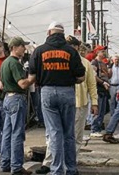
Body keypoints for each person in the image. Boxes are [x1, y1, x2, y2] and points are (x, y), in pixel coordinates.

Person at [28, 22, 85, 175]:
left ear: (49, 33)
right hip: (67, 92)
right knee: (69, 132)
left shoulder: (39, 50)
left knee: (54, 133)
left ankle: (57, 169)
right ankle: (71, 169)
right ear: (62, 33)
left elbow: (31, 75)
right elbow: (81, 77)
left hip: (46, 91)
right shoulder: (71, 51)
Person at [36, 36, 98, 175]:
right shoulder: (61, 59)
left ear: (76, 48)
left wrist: (94, 102)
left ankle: (69, 164)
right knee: (54, 134)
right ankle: (50, 163)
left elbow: (91, 84)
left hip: (79, 103)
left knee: (73, 136)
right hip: (68, 99)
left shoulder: (86, 63)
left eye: (72, 46)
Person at [0, 36, 35, 175]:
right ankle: (16, 166)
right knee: (17, 134)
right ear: (14, 47)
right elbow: (22, 83)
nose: (24, 48)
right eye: (22, 46)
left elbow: (1, 84)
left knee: (7, 133)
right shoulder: (15, 63)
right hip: (16, 99)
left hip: (7, 98)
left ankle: (5, 163)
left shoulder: (5, 63)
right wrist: (32, 78)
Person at [90, 48, 111, 137]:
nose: (104, 52)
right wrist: (103, 82)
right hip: (99, 89)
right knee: (97, 110)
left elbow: (108, 75)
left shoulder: (104, 63)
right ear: (97, 52)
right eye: (102, 51)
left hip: (104, 89)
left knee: (103, 110)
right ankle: (94, 129)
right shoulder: (94, 62)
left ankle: (98, 128)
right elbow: (93, 76)